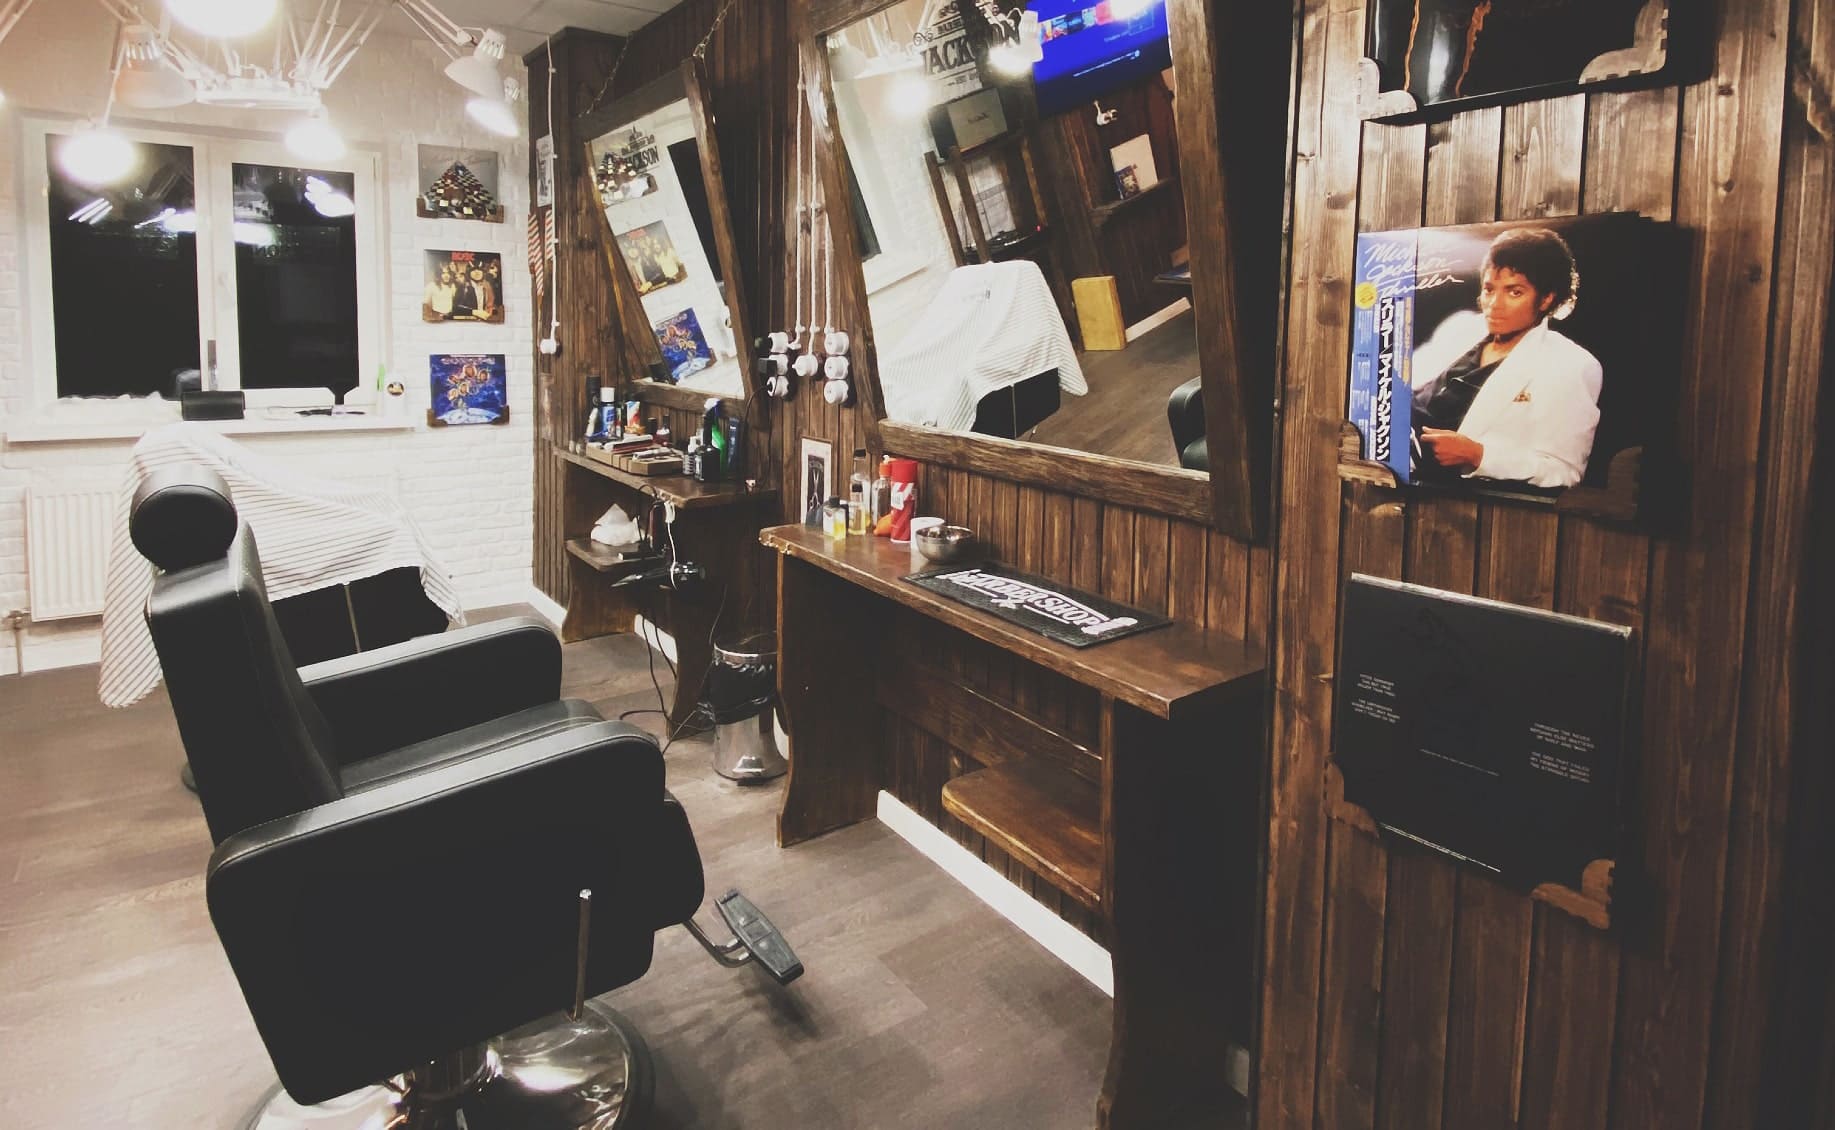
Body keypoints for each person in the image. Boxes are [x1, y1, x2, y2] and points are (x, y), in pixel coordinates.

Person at [1408, 227, 1602, 490]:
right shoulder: (1461, 327)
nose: (1494, 304)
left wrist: (1478, 455)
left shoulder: (1571, 364)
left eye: (1514, 292)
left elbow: (1564, 473)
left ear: (1546, 298)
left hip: (1447, 493)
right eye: (1489, 290)